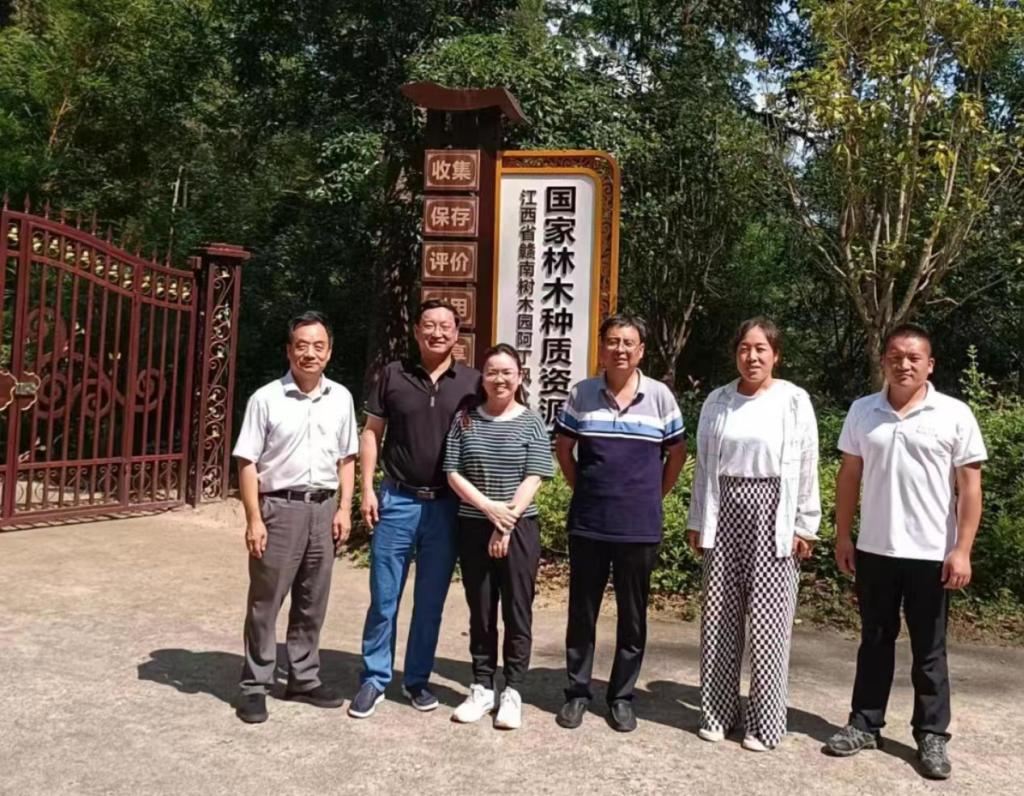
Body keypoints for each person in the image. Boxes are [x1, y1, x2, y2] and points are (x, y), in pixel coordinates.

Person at [825, 323, 986, 780]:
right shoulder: (863, 411)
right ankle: (865, 723)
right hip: (875, 548)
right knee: (874, 639)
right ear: (883, 362)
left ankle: (931, 734)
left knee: (929, 650)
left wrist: (962, 549)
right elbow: (849, 477)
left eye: (914, 357)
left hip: (932, 553)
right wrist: (843, 535)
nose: (904, 364)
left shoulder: (954, 414)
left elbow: (970, 488)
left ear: (929, 365)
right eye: (895, 356)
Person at [686, 317, 820, 752]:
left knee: (769, 624)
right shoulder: (718, 400)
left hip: (773, 514)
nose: (752, 356)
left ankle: (765, 724)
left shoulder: (794, 401)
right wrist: (697, 519)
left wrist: (804, 525)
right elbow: (704, 464)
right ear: (735, 354)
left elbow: (807, 464)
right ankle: (717, 713)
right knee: (720, 617)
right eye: (745, 348)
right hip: (724, 511)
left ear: (776, 355)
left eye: (761, 348)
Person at [553, 314, 687, 732]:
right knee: (582, 612)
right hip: (589, 522)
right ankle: (577, 692)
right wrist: (584, 489)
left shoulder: (660, 396)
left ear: (641, 350)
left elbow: (677, 454)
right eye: (613, 341)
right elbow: (564, 449)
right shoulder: (582, 394)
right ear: (602, 347)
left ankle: (622, 696)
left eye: (629, 342)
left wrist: (652, 496)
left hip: (639, 526)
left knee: (633, 615)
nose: (620, 349)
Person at [349, 299, 480, 719]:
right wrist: (366, 490)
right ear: (416, 331)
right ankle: (374, 678)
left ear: (457, 334)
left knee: (430, 601)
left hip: (446, 507)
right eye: (429, 325)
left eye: (445, 326)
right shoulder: (393, 374)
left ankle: (417, 679)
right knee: (384, 597)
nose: (437, 332)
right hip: (397, 500)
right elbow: (372, 433)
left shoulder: (473, 383)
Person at [231, 311, 358, 724]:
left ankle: (302, 678)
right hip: (279, 509)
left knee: (312, 599)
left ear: (329, 352)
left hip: (323, 509)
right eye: (302, 345)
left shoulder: (341, 397)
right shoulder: (266, 399)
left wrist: (344, 509)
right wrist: (254, 518)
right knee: (266, 601)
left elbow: (347, 458)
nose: (310, 353)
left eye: (318, 346)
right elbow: (247, 461)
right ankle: (255, 684)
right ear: (289, 351)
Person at [443, 344, 555, 730]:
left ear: (520, 377)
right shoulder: (465, 420)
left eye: (507, 372)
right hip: (474, 525)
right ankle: (482, 687)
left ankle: (513, 691)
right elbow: (452, 472)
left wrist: (505, 523)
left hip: (519, 528)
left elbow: (535, 475)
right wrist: (489, 509)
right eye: (492, 372)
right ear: (483, 378)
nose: (499, 379)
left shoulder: (532, 422)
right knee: (481, 609)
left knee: (517, 610)